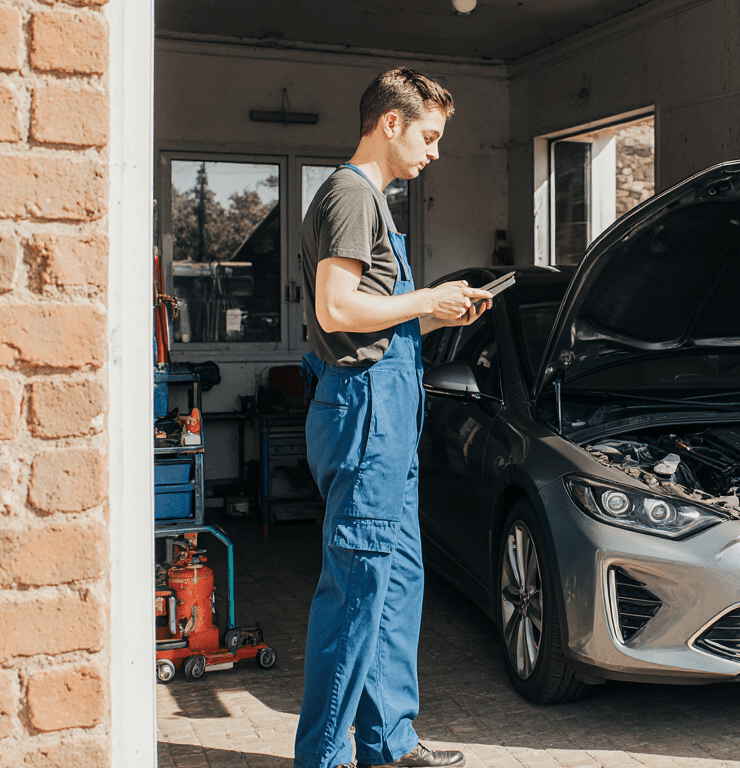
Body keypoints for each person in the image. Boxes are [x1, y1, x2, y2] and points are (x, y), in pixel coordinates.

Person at [294, 68, 490, 768]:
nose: (434, 152)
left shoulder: (373, 202)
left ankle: (389, 746)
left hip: (390, 404)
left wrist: (440, 312)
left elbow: (379, 326)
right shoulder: (352, 195)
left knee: (397, 583)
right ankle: (322, 758)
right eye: (430, 136)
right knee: (357, 591)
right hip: (365, 411)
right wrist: (426, 298)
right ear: (391, 123)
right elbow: (337, 310)